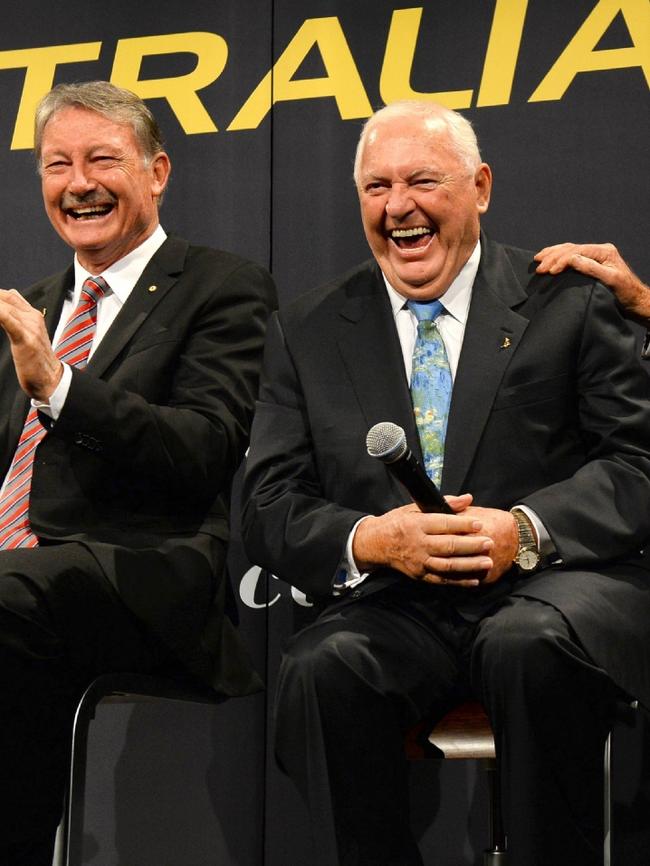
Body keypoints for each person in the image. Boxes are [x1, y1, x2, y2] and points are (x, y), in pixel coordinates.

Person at [241, 100, 650, 866]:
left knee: (529, 645)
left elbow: (637, 465)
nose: (399, 207)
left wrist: (523, 529)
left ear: (481, 186)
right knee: (322, 668)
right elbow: (267, 503)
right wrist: (372, 539)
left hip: (548, 589)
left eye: (423, 180)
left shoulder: (571, 300)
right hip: (396, 604)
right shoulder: (307, 329)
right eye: (376, 187)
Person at [0, 81, 276, 865]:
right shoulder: (33, 305)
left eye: (101, 160)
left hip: (144, 569)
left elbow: (202, 450)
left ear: (157, 172)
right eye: (58, 164)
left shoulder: (222, 287)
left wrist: (59, 385)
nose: (78, 182)